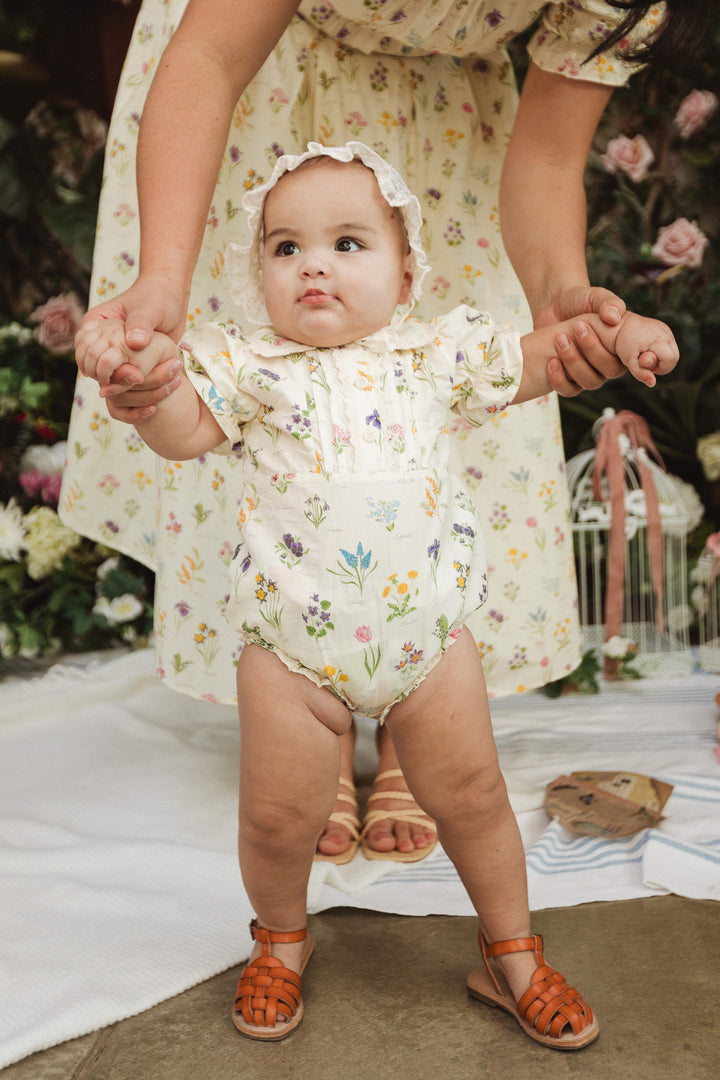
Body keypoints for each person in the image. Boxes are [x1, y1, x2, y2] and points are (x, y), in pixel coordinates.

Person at [61, 0, 697, 862]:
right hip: (265, 83)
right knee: (277, 415)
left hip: (447, 125)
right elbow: (209, 59)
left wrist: (559, 301)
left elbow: (546, 155)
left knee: (442, 405)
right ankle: (302, 720)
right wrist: (166, 278)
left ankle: (414, 723)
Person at [75, 142, 677, 1046]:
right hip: (291, 652)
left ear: (405, 278)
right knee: (277, 816)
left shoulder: (437, 355)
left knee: (473, 795)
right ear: (262, 272)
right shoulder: (249, 368)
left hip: (426, 647)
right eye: (285, 247)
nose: (313, 263)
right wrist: (146, 388)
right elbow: (185, 432)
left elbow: (547, 360)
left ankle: (511, 953)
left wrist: (620, 338)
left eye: (348, 242)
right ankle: (280, 942)